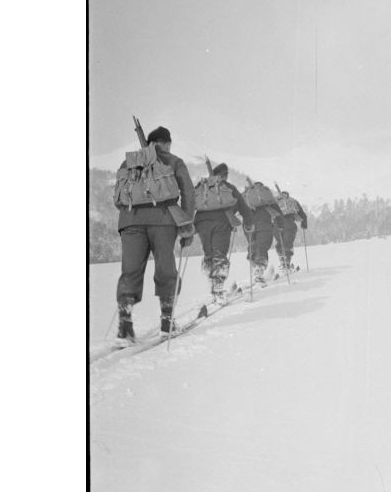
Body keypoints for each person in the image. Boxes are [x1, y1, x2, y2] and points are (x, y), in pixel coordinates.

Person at [114, 126, 196, 343]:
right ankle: (167, 322)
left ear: (149, 143)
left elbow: (117, 198)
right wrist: (186, 225)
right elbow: (188, 192)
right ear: (167, 143)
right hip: (163, 220)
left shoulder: (129, 161)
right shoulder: (174, 161)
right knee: (165, 267)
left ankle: (125, 326)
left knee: (129, 271)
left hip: (130, 222)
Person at [194, 163, 253, 304]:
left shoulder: (202, 186)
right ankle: (218, 289)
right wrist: (248, 222)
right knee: (219, 255)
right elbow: (243, 207)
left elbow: (191, 201)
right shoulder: (228, 187)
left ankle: (211, 280)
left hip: (202, 223)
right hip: (222, 222)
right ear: (225, 175)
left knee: (209, 254)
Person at [242, 181, 284, 285]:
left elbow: (236, 207)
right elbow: (277, 210)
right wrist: (280, 224)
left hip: (248, 223)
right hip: (264, 221)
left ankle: (255, 270)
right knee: (263, 245)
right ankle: (258, 272)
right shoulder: (266, 193)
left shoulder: (247, 194)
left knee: (252, 244)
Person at [273, 190, 308, 272]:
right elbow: (302, 214)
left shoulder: (274, 201)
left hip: (276, 225)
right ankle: (286, 263)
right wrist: (304, 223)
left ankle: (283, 262)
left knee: (280, 242)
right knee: (288, 243)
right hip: (289, 223)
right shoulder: (293, 201)